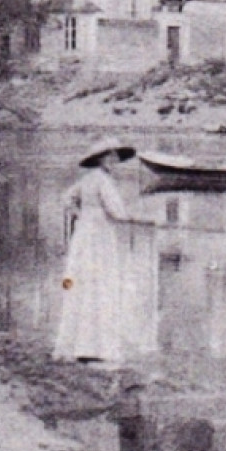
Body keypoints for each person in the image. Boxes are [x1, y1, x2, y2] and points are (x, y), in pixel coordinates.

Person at [53, 136, 147, 365]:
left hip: (84, 236)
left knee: (81, 282)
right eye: (110, 157)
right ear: (101, 159)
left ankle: (78, 344)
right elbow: (117, 213)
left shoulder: (87, 180)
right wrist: (136, 218)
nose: (114, 162)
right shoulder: (104, 182)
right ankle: (95, 346)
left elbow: (66, 198)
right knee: (100, 283)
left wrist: (81, 214)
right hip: (100, 239)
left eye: (115, 158)